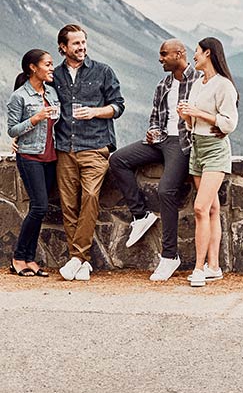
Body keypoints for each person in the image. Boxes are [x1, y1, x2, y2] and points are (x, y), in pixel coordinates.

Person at [109, 39, 199, 281]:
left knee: (167, 191)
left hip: (181, 143)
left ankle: (170, 256)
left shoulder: (199, 81)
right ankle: (141, 215)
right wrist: (152, 131)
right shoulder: (163, 85)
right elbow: (155, 117)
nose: (160, 59)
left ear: (179, 54)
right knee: (118, 160)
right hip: (159, 142)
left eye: (164, 54)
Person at [53, 24, 125, 281]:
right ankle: (80, 262)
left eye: (84, 42)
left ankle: (76, 257)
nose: (82, 47)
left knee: (91, 198)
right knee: (68, 205)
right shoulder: (55, 75)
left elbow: (118, 107)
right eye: (76, 44)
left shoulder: (103, 71)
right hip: (64, 147)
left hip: (95, 146)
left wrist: (95, 111)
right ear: (63, 47)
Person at [178, 37, 238, 287]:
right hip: (198, 147)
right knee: (211, 210)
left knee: (200, 208)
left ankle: (199, 267)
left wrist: (198, 113)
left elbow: (229, 123)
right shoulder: (197, 84)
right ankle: (214, 266)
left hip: (215, 150)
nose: (193, 56)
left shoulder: (224, 86)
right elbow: (193, 124)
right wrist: (186, 116)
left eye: (197, 52)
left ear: (209, 53)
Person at [6, 49, 60, 277]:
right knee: (39, 206)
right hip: (29, 157)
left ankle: (29, 258)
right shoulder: (19, 96)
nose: (51, 68)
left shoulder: (52, 92)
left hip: (51, 157)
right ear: (33, 67)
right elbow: (12, 129)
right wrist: (34, 119)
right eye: (47, 64)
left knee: (38, 209)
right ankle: (18, 257)